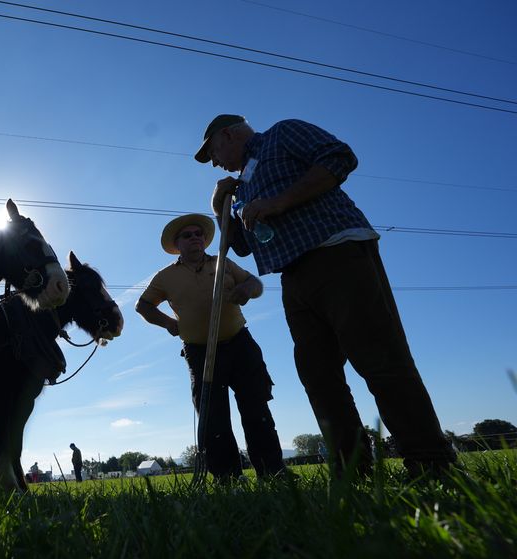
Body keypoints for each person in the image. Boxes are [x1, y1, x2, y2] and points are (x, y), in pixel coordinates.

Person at [196, 114, 457, 477]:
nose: (214, 162)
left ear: (228, 134)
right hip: (293, 275)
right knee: (317, 374)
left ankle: (431, 461)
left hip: (336, 251)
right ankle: (351, 468)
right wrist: (219, 208)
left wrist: (280, 201)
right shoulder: (242, 184)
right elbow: (240, 247)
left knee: (378, 356)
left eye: (213, 152)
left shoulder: (281, 135)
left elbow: (339, 157)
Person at [136, 213, 286, 481]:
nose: (195, 238)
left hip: (240, 344)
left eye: (199, 234)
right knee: (214, 418)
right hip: (200, 351)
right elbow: (143, 306)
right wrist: (169, 324)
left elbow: (255, 283)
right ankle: (227, 477)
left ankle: (273, 471)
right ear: (177, 244)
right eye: (188, 235)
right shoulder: (165, 277)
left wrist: (246, 290)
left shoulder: (222, 263)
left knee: (256, 409)